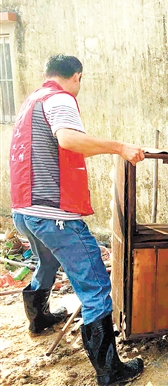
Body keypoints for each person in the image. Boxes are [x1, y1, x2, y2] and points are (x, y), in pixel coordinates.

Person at [10, 54, 145, 385]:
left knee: (46, 264)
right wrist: (119, 147)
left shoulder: (32, 101)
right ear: (76, 77)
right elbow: (68, 140)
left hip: (24, 211)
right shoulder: (61, 98)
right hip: (54, 215)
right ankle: (110, 371)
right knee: (97, 285)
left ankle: (38, 319)